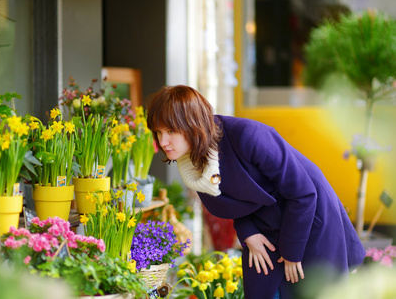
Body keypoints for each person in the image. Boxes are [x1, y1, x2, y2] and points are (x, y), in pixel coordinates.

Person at [146, 85, 366, 299]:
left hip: (307, 221)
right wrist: (247, 231)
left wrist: (291, 252)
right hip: (264, 228)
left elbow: (303, 192)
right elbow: (236, 201)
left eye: (171, 131)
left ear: (192, 124)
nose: (163, 141)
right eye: (158, 132)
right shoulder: (192, 163)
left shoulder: (248, 135)